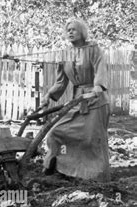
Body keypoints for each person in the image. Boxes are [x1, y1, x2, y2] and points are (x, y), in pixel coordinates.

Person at [41, 18, 110, 181]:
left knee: (92, 140)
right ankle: (61, 167)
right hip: (77, 100)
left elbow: (101, 69)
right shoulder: (65, 55)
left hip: (96, 101)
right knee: (55, 132)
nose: (70, 32)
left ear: (82, 32)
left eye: (74, 29)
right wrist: (49, 95)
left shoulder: (94, 49)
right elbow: (61, 82)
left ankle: (95, 175)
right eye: (68, 30)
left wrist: (98, 87)